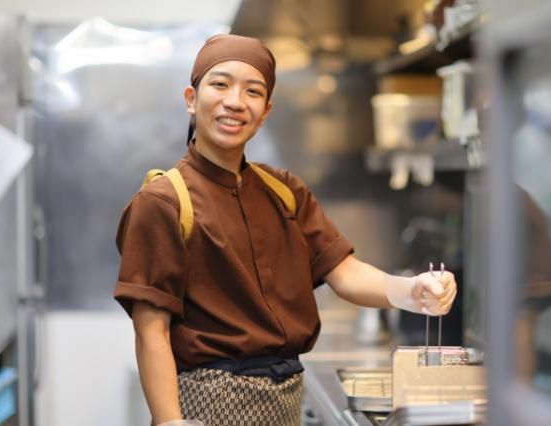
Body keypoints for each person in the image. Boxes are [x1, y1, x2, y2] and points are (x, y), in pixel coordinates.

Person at [114, 34, 457, 426]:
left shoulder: (284, 191)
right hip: (207, 402)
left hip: (285, 397)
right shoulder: (163, 201)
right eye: (220, 84)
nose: (235, 101)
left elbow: (344, 273)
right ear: (192, 99)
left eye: (253, 91)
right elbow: (151, 329)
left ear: (265, 112)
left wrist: (410, 291)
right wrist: (169, 422)